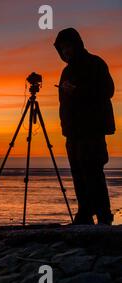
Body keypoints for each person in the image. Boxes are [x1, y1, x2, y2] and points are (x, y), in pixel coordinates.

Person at [54, 28, 116, 225]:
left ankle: (104, 215)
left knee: (93, 172)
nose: (66, 52)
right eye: (62, 49)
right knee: (78, 173)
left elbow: (108, 91)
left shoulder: (95, 63)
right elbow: (64, 101)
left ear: (77, 45)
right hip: (73, 131)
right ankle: (84, 214)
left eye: (68, 47)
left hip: (92, 129)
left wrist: (78, 91)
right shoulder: (66, 71)